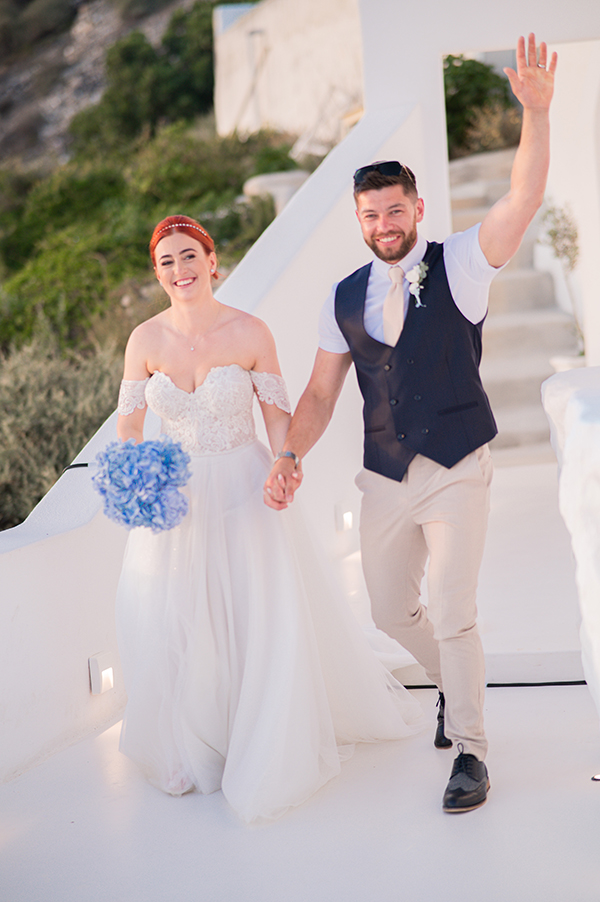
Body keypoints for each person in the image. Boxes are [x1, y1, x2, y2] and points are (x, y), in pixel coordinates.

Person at [264, 34, 558, 813]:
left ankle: (471, 751)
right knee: (390, 611)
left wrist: (535, 114)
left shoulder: (461, 262)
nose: (385, 222)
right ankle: (449, 688)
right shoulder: (342, 297)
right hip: (386, 474)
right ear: (359, 220)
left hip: (459, 465)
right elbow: (320, 395)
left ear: (418, 209)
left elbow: (521, 201)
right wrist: (289, 453)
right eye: (372, 213)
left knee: (456, 612)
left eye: (396, 209)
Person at [113, 214, 423, 824]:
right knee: (180, 617)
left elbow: (278, 415)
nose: (179, 269)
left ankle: (260, 735)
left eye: (189, 255)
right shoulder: (143, 340)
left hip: (243, 486)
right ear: (157, 273)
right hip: (176, 499)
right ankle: (193, 740)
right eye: (166, 261)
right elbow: (129, 423)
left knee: (253, 610)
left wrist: (286, 464)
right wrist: (141, 474)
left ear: (211, 261)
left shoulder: (250, 331)